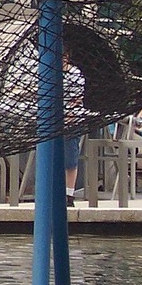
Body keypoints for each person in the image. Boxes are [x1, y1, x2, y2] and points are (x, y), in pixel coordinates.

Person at [62, 51, 86, 207]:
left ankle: (69, 195)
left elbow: (77, 99)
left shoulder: (75, 73)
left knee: (70, 159)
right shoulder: (47, 72)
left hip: (71, 121)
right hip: (54, 120)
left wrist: (69, 116)